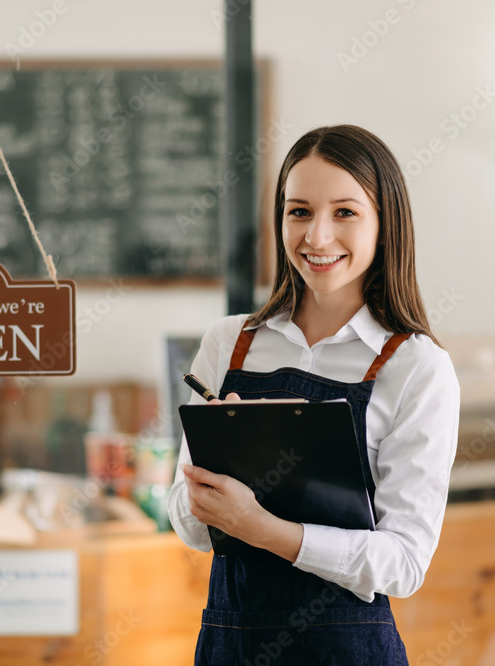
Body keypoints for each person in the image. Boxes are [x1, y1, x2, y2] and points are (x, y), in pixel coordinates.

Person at [167, 125, 460, 664]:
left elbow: (404, 564)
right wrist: (211, 479)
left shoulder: (417, 367)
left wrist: (264, 528)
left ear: (385, 224)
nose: (317, 237)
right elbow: (190, 529)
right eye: (298, 211)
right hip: (228, 646)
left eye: (344, 212)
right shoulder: (227, 343)